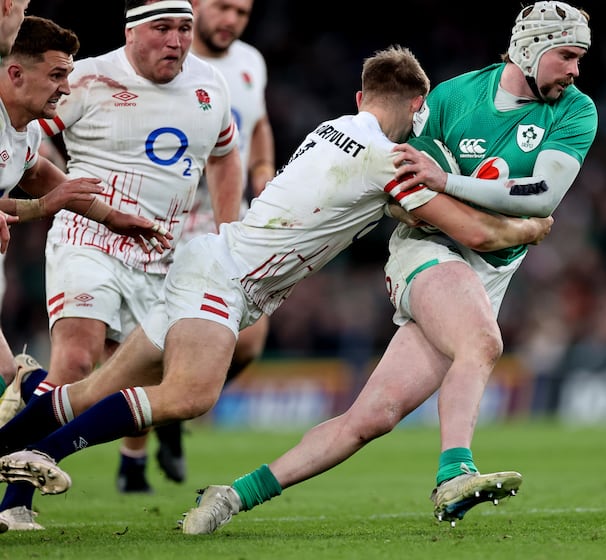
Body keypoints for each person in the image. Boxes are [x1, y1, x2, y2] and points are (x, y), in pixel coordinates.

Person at [0, 44, 554, 533]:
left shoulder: (334, 129)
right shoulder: (389, 159)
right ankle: (40, 454)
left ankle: (13, 480)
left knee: (92, 391)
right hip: (227, 279)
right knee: (191, 395)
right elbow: (476, 232)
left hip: (214, 262)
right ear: (418, 107)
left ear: (361, 98)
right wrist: (530, 226)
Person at [175, 1, 597, 533]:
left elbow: (542, 193)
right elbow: (402, 193)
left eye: (579, 58)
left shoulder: (578, 111)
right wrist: (457, 200)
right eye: (566, 56)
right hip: (427, 250)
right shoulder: (453, 96)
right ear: (531, 48)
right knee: (483, 343)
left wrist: (450, 184)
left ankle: (231, 496)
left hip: (488, 274)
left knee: (371, 418)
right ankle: (454, 473)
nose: (575, 70)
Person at [0, 0, 242, 530]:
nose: (175, 41)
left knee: (112, 383)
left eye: (184, 29)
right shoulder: (82, 79)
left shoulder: (212, 87)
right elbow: (21, 140)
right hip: (89, 237)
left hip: (162, 256)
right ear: (132, 33)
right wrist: (60, 197)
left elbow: (225, 157)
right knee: (77, 358)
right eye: (162, 29)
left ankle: (21, 413)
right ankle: (15, 501)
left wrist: (228, 232)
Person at [116, 0, 277, 492]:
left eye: (244, 13)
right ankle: (134, 456)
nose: (231, 20)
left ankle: (173, 410)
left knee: (249, 340)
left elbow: (258, 124)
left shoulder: (251, 61)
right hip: (163, 216)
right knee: (149, 339)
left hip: (227, 212)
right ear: (198, 5)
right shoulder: (163, 61)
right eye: (223, 8)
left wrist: (262, 171)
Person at [0, 16, 172, 429]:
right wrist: (43, 207)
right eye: (57, 75)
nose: (65, 87)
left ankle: (21, 448)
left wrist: (112, 217)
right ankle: (25, 453)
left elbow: (36, 170)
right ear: (16, 74)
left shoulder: (23, 131)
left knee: (10, 379)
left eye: (69, 75)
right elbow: (42, 192)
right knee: (20, 378)